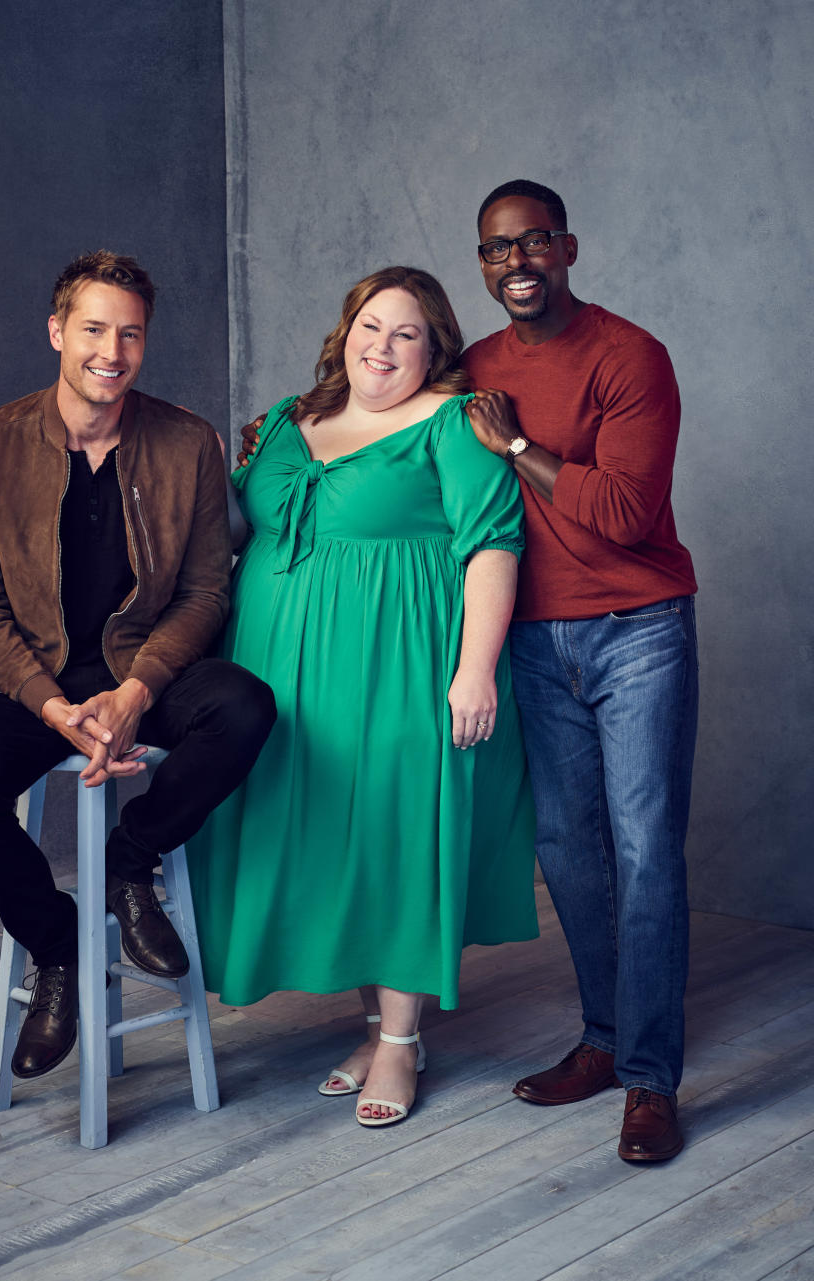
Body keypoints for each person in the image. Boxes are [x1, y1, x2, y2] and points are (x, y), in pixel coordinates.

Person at [189, 266, 537, 1128]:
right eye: (370, 326)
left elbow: (493, 545)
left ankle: (403, 1039)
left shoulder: (452, 425)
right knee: (324, 842)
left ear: (436, 348)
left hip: (397, 665)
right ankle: (373, 1022)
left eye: (407, 333)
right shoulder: (283, 420)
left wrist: (475, 668)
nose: (383, 346)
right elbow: (234, 529)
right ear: (345, 332)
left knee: (394, 833)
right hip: (279, 676)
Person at [0, 250, 275, 1082]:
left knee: (246, 706)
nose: (111, 351)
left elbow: (204, 592)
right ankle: (58, 949)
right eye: (93, 328)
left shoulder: (185, 440)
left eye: (130, 333)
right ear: (57, 332)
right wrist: (55, 708)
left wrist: (135, 691)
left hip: (140, 670)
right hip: (33, 682)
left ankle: (132, 864)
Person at [462, 180, 698, 1163]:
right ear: (483, 264)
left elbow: (623, 514)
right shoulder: (472, 365)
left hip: (638, 629)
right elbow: (388, 431)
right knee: (568, 850)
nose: (516, 263)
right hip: (532, 637)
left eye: (534, 243)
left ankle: (650, 1081)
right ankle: (603, 1040)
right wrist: (281, 439)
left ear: (568, 247)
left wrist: (513, 444)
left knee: (644, 853)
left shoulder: (629, 355)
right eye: (496, 249)